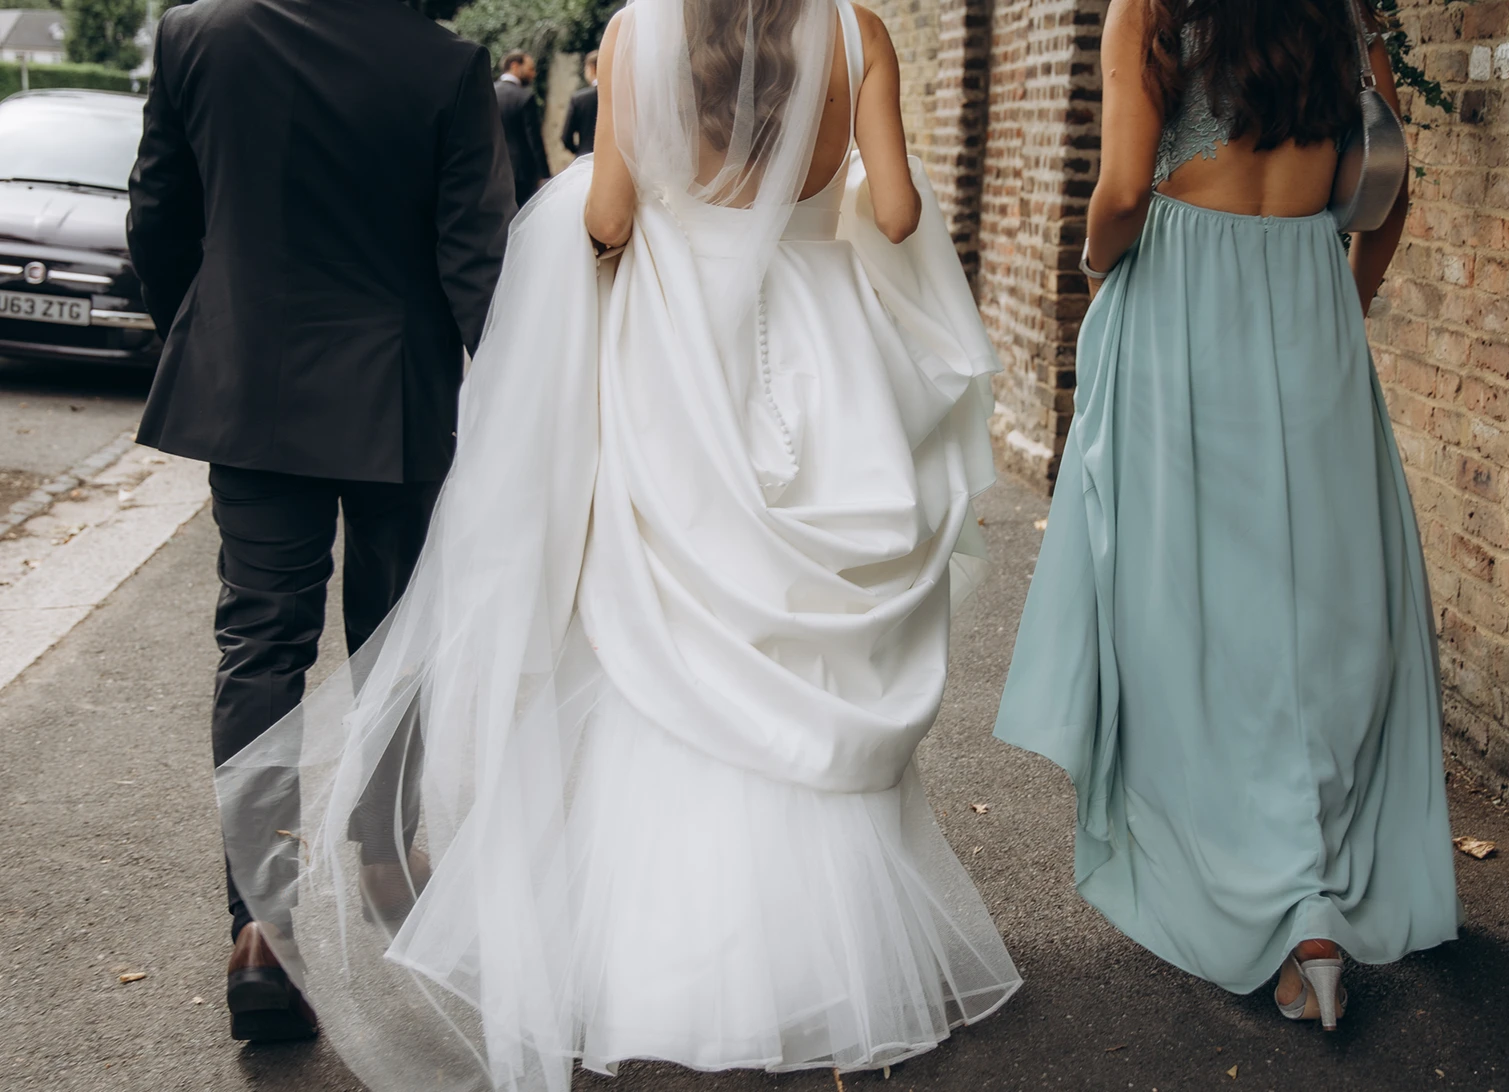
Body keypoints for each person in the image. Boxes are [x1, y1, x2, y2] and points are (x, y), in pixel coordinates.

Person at [214, 0, 1020, 1087]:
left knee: (671, 625)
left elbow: (607, 217)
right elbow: (898, 209)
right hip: (824, 347)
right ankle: (826, 949)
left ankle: (668, 951)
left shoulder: (644, 31)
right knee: (808, 638)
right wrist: (821, 201)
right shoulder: (859, 30)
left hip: (682, 348)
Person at [993, 0, 1461, 1032]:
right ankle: (1318, 916)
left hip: (1177, 304)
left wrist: (1098, 264)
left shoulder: (1149, 11)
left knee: (1187, 609)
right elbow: (1387, 190)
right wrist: (1341, 307)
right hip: (1306, 301)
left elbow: (1119, 193)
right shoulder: (1340, 16)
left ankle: (1244, 885)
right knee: (1321, 613)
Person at [126, 0, 514, 1045]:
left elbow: (158, 214)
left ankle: (259, 927)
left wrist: (205, 339)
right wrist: (522, 404)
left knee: (260, 639)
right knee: (393, 635)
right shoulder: (444, 66)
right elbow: (476, 262)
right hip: (396, 398)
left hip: (245, 382)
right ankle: (386, 855)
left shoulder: (195, 34)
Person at [495, 50, 551, 207]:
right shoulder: (525, 96)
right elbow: (534, 139)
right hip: (522, 173)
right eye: (530, 69)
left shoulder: (488, 92)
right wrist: (545, 175)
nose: (533, 74)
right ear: (514, 66)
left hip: (492, 170)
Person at [560, 49, 598, 158]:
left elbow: (566, 137)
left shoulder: (579, 99)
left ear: (592, 68)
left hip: (585, 158)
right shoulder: (619, 97)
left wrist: (580, 150)